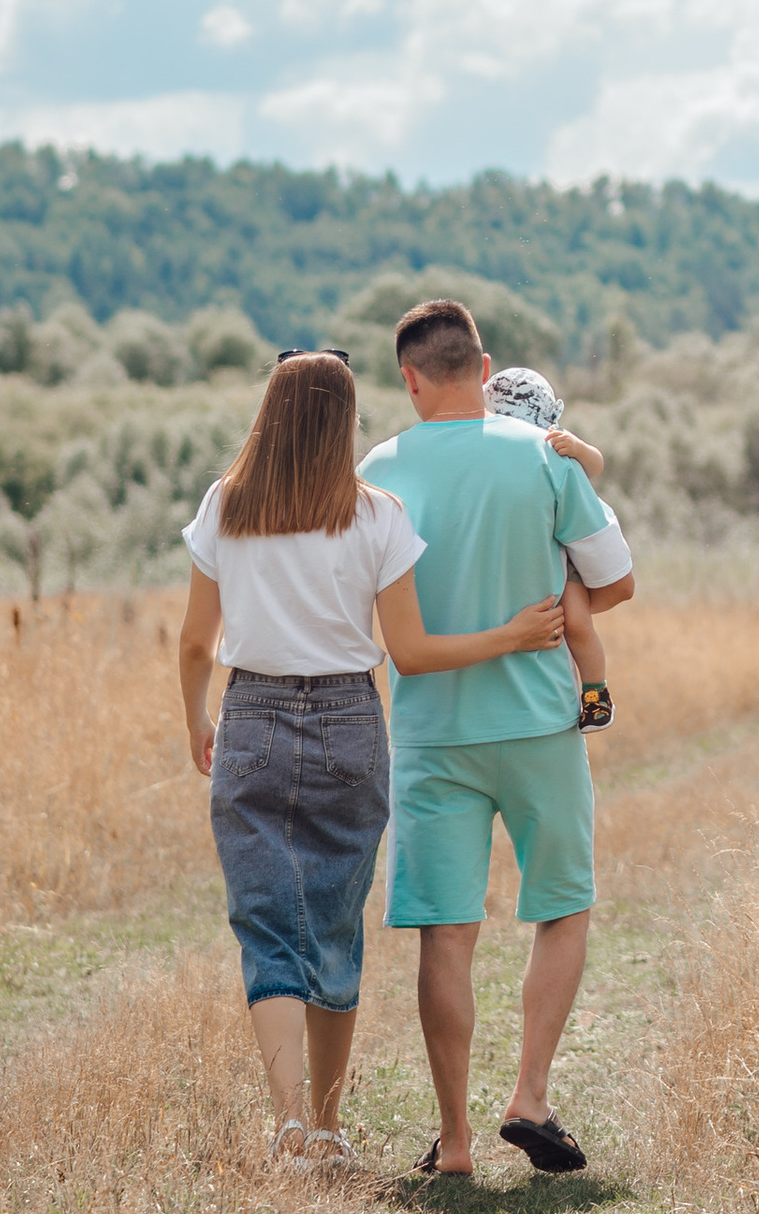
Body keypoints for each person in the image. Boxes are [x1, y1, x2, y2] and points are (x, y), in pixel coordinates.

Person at [177, 347, 565, 1171]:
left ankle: (287, 1126)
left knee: (267, 926)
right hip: (352, 719)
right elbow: (412, 651)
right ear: (346, 421)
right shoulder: (377, 513)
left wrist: (197, 718)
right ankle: (326, 1127)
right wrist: (513, 637)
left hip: (252, 715)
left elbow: (192, 643)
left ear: (268, 414)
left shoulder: (226, 505)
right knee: (332, 922)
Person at [361, 298, 636, 1180]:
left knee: (445, 932)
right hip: (539, 724)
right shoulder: (544, 456)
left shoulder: (376, 471)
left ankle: (454, 1144)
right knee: (562, 906)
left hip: (434, 732)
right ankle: (529, 1096)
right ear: (484, 370)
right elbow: (617, 580)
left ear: (408, 380)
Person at [481, 362, 615, 729]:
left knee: (577, 623)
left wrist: (578, 448)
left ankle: (595, 692)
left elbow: (597, 465)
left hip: (566, 550)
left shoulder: (556, 440)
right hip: (532, 547)